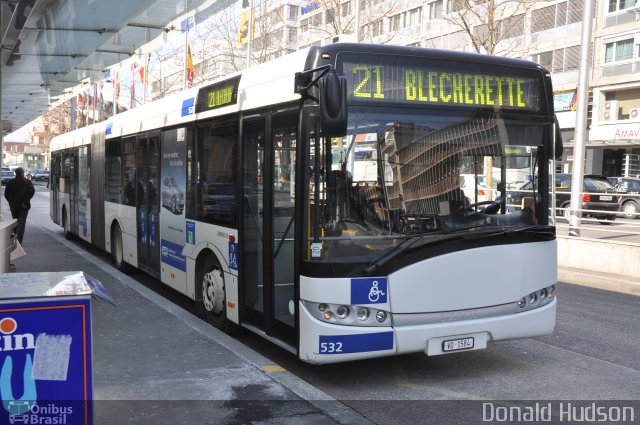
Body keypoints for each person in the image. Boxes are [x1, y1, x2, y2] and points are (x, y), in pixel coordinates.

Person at [4, 167, 35, 244]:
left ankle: (15, 237)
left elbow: (6, 194)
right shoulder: (27, 182)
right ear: (22, 173)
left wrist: (11, 202)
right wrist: (26, 200)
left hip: (14, 206)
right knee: (21, 223)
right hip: (23, 206)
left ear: (16, 173)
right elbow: (32, 192)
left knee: (15, 222)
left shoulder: (10, 182)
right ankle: (18, 241)